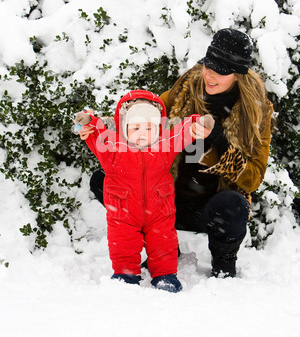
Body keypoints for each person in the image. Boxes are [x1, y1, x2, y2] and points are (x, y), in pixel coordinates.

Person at [158, 28, 273, 278]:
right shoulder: (189, 86)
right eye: (208, 66)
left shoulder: (256, 111)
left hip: (212, 208)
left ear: (238, 75)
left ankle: (224, 262)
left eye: (220, 71)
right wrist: (103, 125)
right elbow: (151, 110)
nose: (210, 75)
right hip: (168, 201)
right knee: (108, 181)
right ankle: (162, 248)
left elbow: (252, 178)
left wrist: (219, 139)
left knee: (234, 204)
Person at [75, 89, 205, 292]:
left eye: (149, 128)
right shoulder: (112, 148)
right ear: (124, 127)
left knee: (163, 243)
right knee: (123, 244)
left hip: (159, 211)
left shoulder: (164, 145)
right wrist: (88, 122)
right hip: (123, 212)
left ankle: (165, 275)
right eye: (135, 127)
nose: (142, 133)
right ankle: (125, 274)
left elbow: (182, 130)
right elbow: (97, 131)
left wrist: (196, 124)